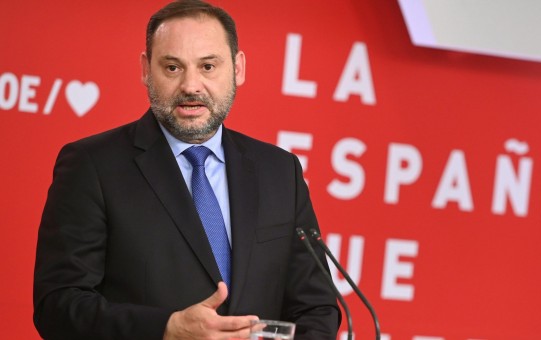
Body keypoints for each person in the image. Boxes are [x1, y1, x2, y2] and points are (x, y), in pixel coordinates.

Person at [32, 0, 340, 339]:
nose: (191, 86)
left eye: (208, 66)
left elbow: (316, 307)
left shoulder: (280, 172)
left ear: (238, 68)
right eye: (173, 68)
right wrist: (167, 329)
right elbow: (58, 306)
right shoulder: (92, 165)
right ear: (146, 69)